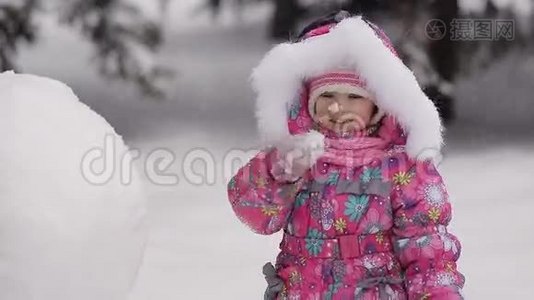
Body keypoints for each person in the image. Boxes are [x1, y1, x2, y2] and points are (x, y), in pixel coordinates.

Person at [227, 11, 465, 299]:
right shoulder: (297, 157)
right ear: (308, 102)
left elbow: (428, 250)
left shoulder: (404, 167)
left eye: (354, 97)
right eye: (326, 96)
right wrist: (278, 172)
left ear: (379, 104)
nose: (337, 107)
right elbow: (255, 215)